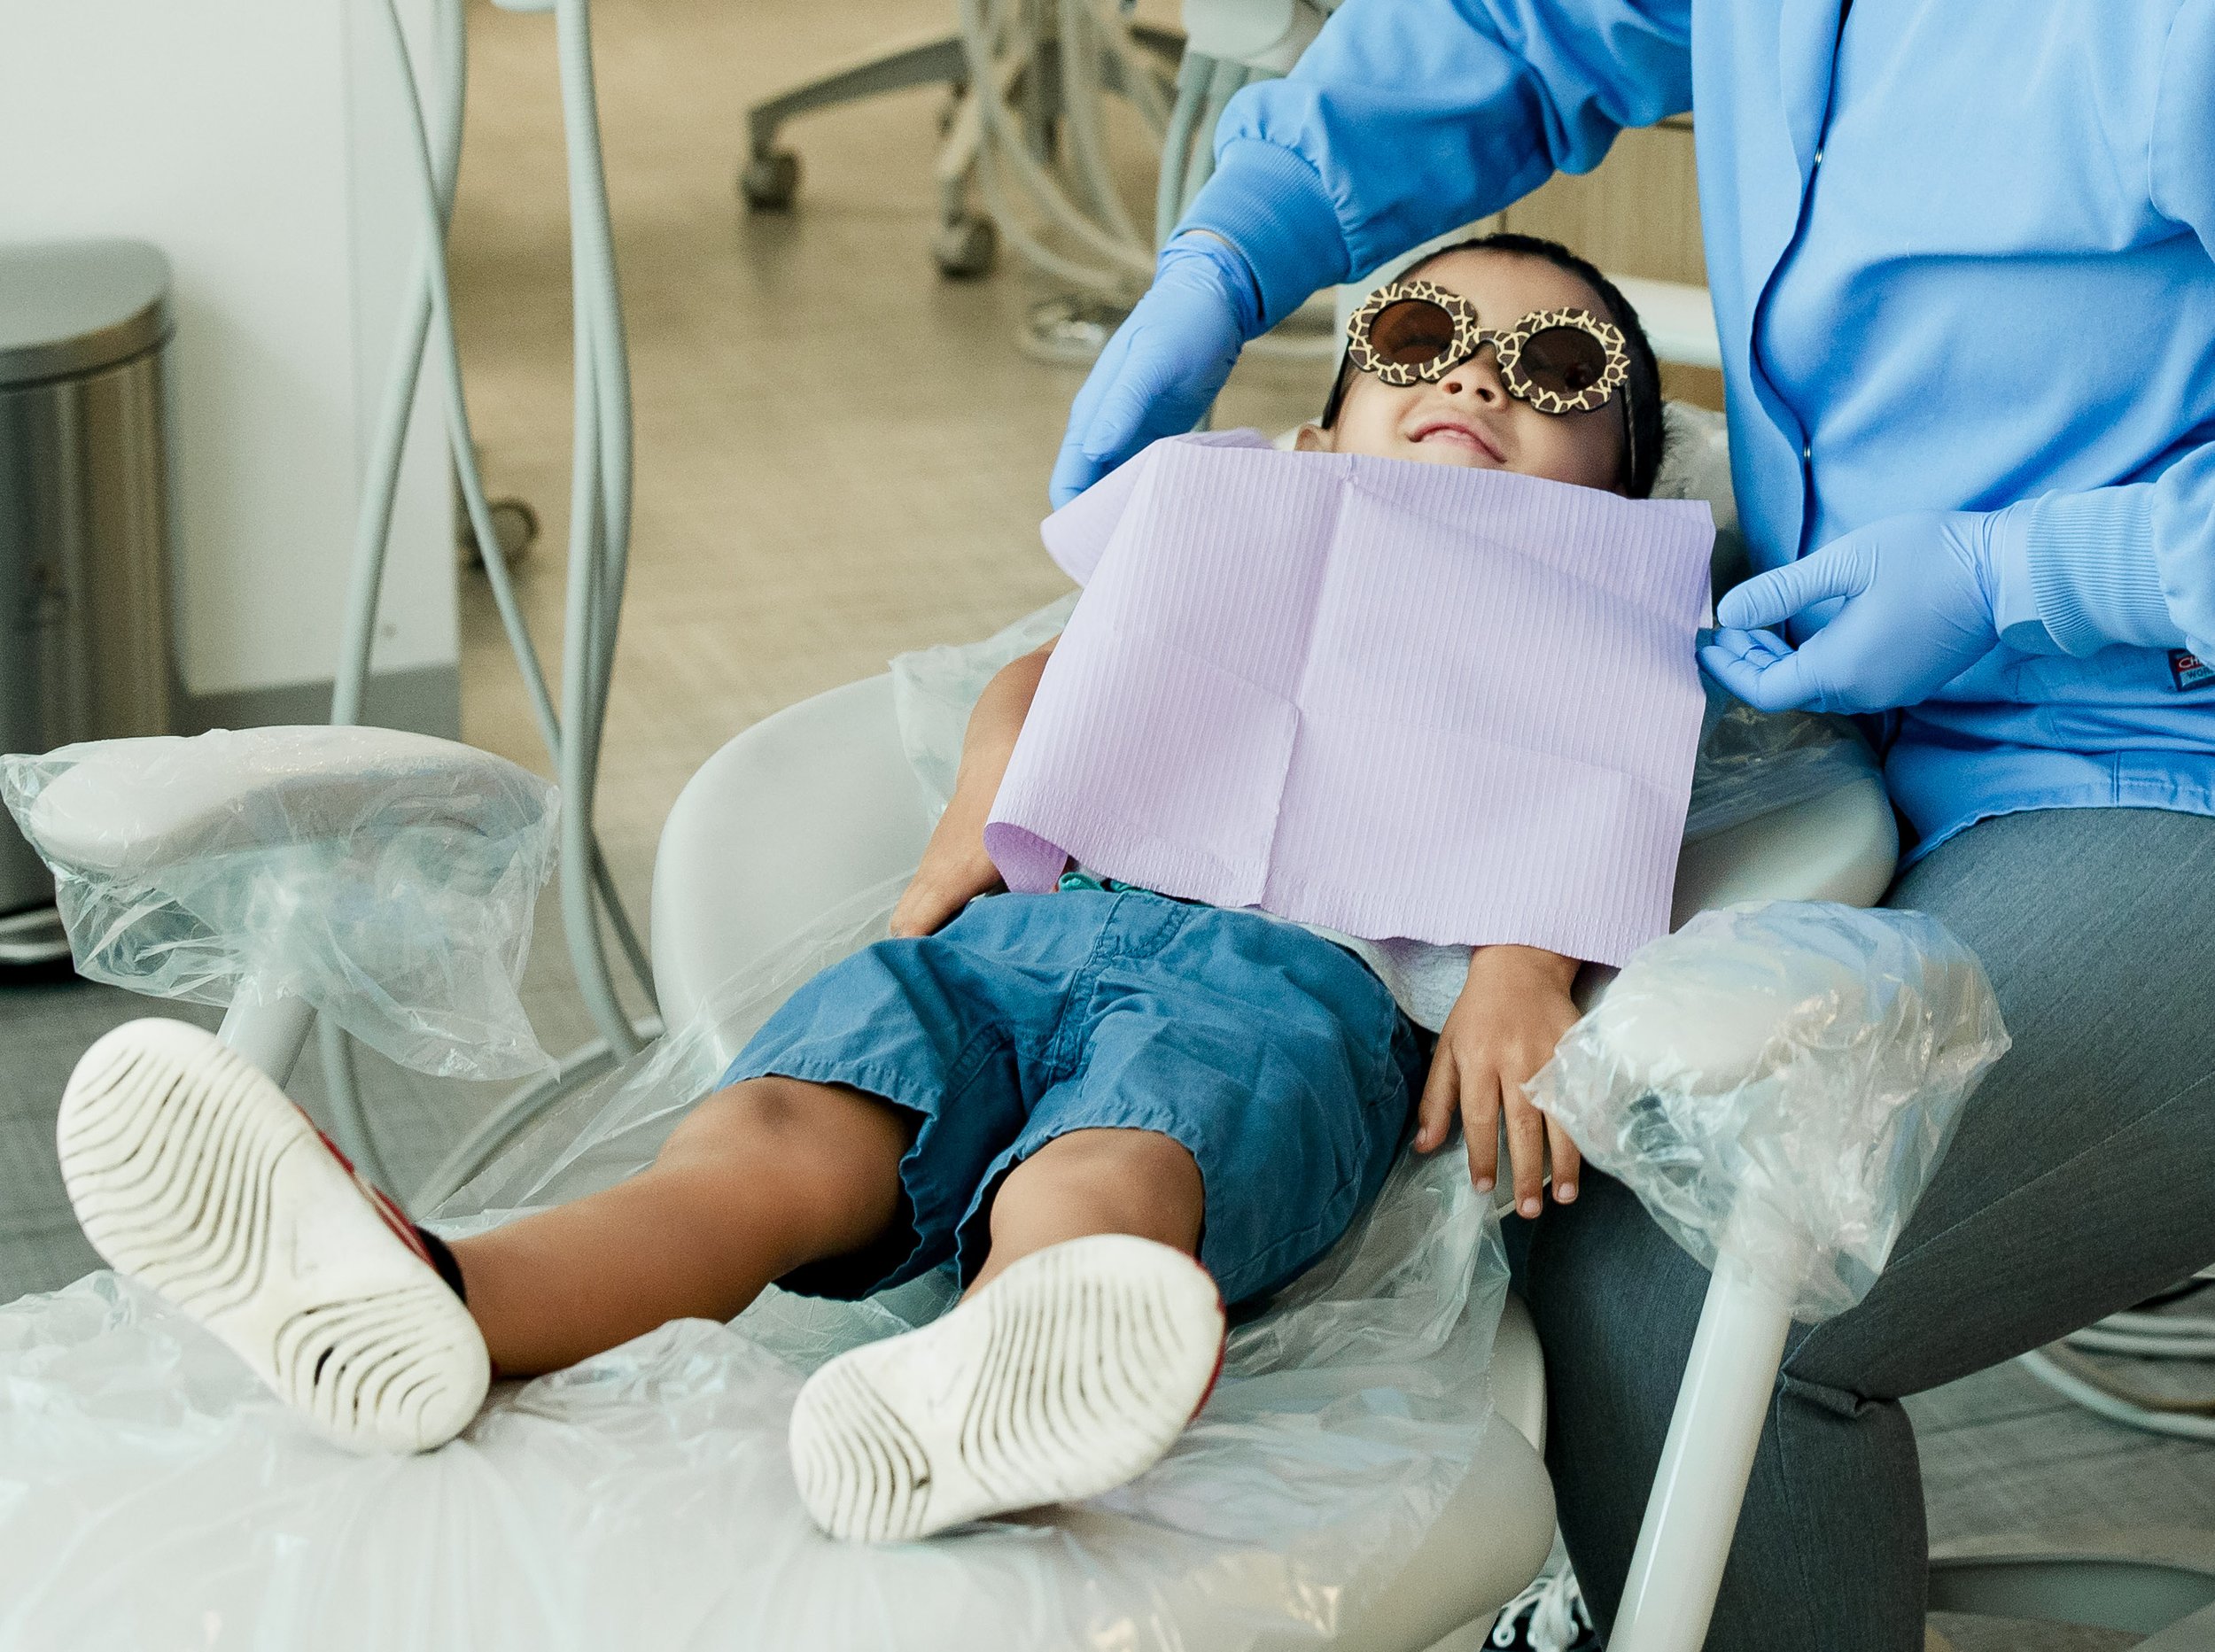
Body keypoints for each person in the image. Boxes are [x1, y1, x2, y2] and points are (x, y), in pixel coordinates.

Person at [55, 235, 1687, 1547]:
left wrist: (1523, 967)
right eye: (1414, 336)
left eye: (1559, 369)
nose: (1475, 369)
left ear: (1617, 491)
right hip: (1023, 936)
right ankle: (453, 1293)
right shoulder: (1250, 528)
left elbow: (1591, 799)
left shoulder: (1578, 627)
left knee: (1110, 1169)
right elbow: (1047, 682)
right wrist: (974, 824)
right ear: (1323, 426)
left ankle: (1001, 1369)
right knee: (770, 1132)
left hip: (1284, 995)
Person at [1051, 4, 2215, 1647]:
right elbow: (1519, 29)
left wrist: (2032, 576)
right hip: (1848, 698)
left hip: (2157, 759)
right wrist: (1243, 243)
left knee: (1680, 1256)